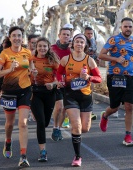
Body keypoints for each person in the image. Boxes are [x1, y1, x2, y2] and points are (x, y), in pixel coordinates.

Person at [98, 17, 133, 147]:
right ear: (121, 27)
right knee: (114, 108)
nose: (128, 29)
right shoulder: (113, 39)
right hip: (115, 77)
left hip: (130, 77)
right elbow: (101, 55)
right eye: (125, 26)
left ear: (132, 28)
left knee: (129, 106)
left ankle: (128, 136)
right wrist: (115, 58)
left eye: (130, 27)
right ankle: (105, 115)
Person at [0, 26, 36, 167]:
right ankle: (8, 141)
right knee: (10, 124)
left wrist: (33, 72)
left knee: (23, 123)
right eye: (14, 35)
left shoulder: (27, 52)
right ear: (10, 38)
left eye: (19, 35)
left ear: (22, 38)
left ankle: (23, 156)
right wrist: (9, 69)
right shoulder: (4, 54)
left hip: (24, 90)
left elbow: (31, 68)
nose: (17, 38)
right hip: (9, 92)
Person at [56, 33, 102, 166]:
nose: (79, 44)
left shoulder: (89, 60)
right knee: (76, 126)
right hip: (70, 96)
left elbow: (99, 78)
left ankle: (76, 132)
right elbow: (59, 73)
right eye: (77, 41)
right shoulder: (66, 59)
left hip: (85, 97)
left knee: (85, 128)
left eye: (82, 42)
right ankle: (77, 156)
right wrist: (60, 81)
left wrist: (88, 77)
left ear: (85, 45)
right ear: (73, 44)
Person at [30, 37, 59, 162]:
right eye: (40, 46)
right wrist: (31, 74)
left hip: (49, 93)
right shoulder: (31, 60)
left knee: (46, 122)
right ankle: (43, 151)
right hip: (35, 93)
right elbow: (24, 75)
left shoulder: (53, 61)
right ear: (36, 47)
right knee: (41, 122)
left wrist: (53, 84)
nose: (42, 48)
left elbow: (60, 78)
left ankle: (41, 121)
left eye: (44, 46)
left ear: (48, 48)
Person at [51, 27, 72, 140]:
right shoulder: (52, 48)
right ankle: (55, 127)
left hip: (69, 82)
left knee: (65, 108)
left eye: (68, 35)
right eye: (64, 34)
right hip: (57, 81)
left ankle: (58, 129)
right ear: (59, 35)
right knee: (59, 106)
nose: (66, 36)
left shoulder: (72, 49)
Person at [84, 26, 98, 121]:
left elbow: (95, 53)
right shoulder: (80, 41)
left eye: (91, 33)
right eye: (88, 33)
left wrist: (97, 58)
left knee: (91, 90)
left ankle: (90, 110)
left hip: (91, 68)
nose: (89, 35)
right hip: (81, 68)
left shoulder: (94, 42)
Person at [27, 34, 38, 121]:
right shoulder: (25, 52)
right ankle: (31, 112)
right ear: (28, 42)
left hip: (38, 78)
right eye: (33, 42)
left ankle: (33, 112)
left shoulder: (41, 52)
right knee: (30, 95)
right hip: (26, 78)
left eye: (36, 43)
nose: (34, 44)